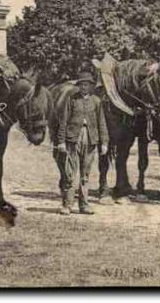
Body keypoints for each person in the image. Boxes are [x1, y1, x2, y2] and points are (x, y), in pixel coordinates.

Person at [53, 70, 109, 215]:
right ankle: (67, 205)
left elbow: (101, 122)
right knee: (70, 173)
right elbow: (63, 121)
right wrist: (61, 141)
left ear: (91, 86)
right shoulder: (72, 99)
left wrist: (104, 142)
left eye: (87, 85)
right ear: (79, 86)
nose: (84, 87)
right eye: (82, 84)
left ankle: (84, 205)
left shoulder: (96, 101)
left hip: (90, 138)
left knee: (85, 174)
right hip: (73, 138)